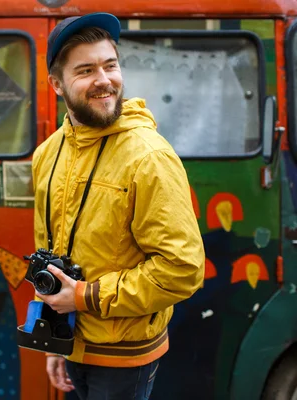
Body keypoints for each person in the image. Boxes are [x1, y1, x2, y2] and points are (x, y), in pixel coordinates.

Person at [31, 12, 205, 400]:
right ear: (57, 85)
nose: (104, 80)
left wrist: (83, 298)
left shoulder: (149, 157)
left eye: (110, 65)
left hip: (124, 356)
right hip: (71, 339)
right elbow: (51, 253)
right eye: (86, 70)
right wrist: (54, 335)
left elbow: (183, 270)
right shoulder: (47, 154)